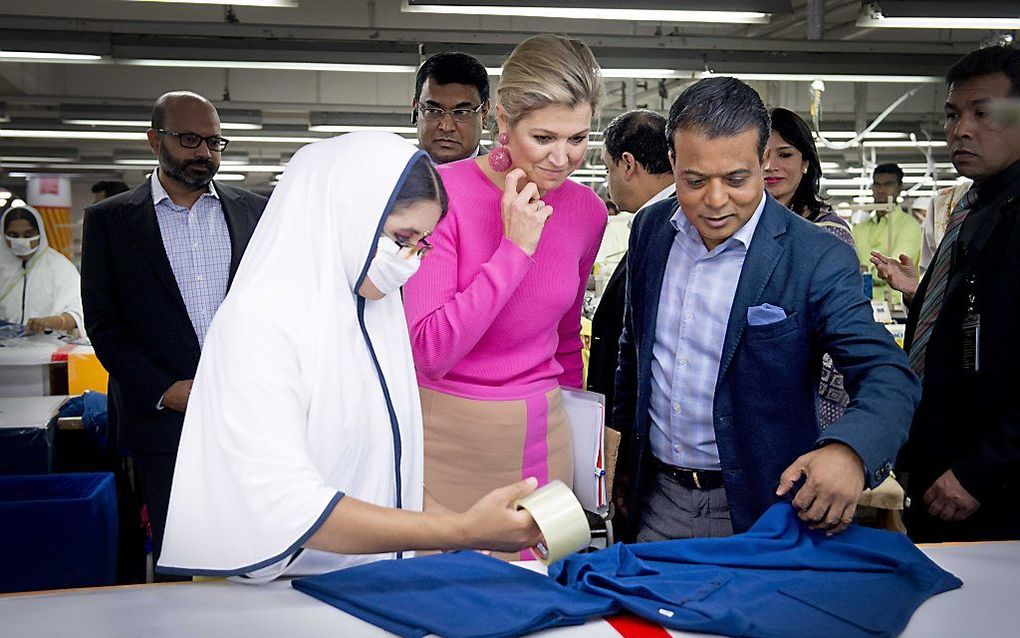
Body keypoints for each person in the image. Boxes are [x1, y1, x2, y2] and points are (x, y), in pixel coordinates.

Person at [157, 132, 541, 581]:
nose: (412, 260)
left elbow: (388, 465)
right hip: (273, 593)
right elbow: (289, 505)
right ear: (348, 218)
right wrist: (458, 530)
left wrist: (468, 537)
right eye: (403, 238)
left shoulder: (374, 313)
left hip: (358, 580)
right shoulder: (260, 324)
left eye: (423, 243)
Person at [612, 76, 919, 543]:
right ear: (672, 161)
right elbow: (632, 353)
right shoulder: (651, 230)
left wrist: (850, 450)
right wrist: (621, 465)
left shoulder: (813, 254)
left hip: (764, 509)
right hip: (657, 503)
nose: (715, 201)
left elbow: (885, 372)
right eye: (694, 181)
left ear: (762, 162)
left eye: (737, 179)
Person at [402, 34, 607, 558]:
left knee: (548, 606)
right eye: (543, 137)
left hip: (546, 441)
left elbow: (564, 342)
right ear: (502, 121)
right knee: (443, 606)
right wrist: (514, 249)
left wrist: (584, 444)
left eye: (579, 138)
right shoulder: (439, 193)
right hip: (446, 445)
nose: (563, 158)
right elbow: (430, 349)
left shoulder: (587, 212)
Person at [81, 91, 267, 563]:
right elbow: (105, 326)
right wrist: (166, 389)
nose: (205, 153)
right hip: (162, 422)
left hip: (250, 414)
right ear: (153, 140)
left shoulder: (255, 212)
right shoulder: (111, 221)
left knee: (255, 550)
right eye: (190, 140)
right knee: (179, 555)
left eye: (214, 142)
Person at [877, 45, 1020, 542]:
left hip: (993, 485)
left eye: (983, 113)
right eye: (954, 114)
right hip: (946, 463)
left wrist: (981, 470)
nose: (961, 129)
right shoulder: (973, 210)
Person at [764, 106, 854, 429]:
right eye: (762, 154)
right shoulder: (738, 227)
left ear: (805, 164)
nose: (771, 166)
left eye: (785, 155)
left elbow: (837, 335)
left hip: (813, 402)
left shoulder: (828, 233)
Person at [589, 109, 674, 421]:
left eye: (608, 168)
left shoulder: (669, 226)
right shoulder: (654, 224)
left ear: (627, 164)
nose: (608, 181)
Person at [1, 205, 84, 334]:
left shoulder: (60, 267)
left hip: (46, 347)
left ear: (40, 232)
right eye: (13, 235)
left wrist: (50, 322)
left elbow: (77, 315)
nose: (21, 241)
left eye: (28, 234)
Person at [851, 163, 921, 303]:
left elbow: (893, 271)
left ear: (900, 188)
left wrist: (861, 271)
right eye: (877, 184)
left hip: (895, 308)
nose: (881, 190)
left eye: (888, 184)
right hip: (858, 305)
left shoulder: (910, 226)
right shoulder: (859, 228)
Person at [413, 52, 491, 164]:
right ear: (416, 109)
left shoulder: (506, 178)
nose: (446, 127)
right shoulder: (389, 174)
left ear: (484, 113)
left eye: (461, 112)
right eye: (433, 111)